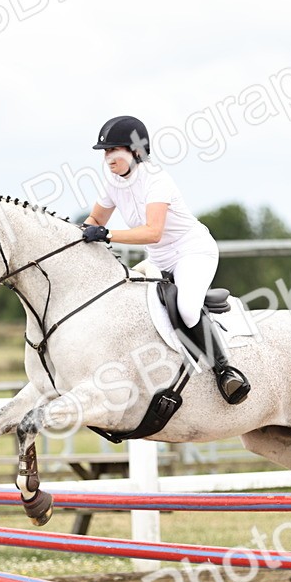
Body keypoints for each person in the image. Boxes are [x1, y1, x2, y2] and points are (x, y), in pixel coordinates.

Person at [81, 115, 249, 404]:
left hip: (191, 252)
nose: (108, 157)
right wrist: (77, 237)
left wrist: (105, 234)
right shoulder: (111, 181)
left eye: (114, 150)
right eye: (106, 152)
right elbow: (95, 218)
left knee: (186, 308)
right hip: (158, 258)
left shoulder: (157, 180)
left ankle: (225, 371)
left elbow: (152, 232)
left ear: (135, 151)